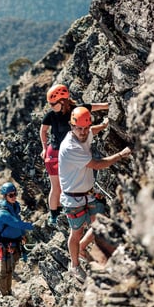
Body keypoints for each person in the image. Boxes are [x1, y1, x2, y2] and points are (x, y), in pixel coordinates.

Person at [58, 107, 131, 283]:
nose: (83, 132)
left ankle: (83, 248)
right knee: (76, 232)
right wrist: (121, 154)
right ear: (71, 126)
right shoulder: (70, 147)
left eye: (85, 127)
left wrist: (104, 125)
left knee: (99, 224)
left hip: (87, 193)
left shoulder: (84, 132)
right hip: (73, 198)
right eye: (79, 128)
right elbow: (97, 164)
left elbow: (91, 131)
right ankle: (75, 266)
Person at [40, 84, 109, 227]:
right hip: (55, 153)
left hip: (70, 153)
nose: (51, 106)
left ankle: (71, 211)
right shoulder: (51, 115)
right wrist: (44, 148)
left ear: (62, 101)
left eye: (53, 104)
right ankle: (54, 216)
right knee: (57, 186)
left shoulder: (75, 111)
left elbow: (90, 107)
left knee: (71, 183)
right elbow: (43, 130)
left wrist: (107, 106)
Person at [0, 182, 34, 296]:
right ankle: (4, 293)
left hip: (15, 242)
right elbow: (17, 223)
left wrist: (22, 235)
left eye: (15, 194)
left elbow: (18, 220)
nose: (14, 197)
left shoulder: (14, 206)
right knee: (4, 271)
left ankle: (9, 291)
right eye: (11, 195)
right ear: (5, 196)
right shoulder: (2, 213)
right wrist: (34, 226)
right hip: (7, 245)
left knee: (11, 269)